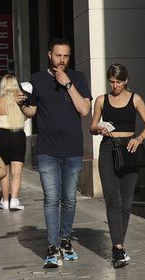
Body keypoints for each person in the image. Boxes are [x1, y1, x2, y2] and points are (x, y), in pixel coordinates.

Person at [19, 38, 92, 268]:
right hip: (47, 150)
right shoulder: (38, 79)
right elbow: (31, 111)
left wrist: (68, 84)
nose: (62, 60)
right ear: (49, 54)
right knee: (52, 198)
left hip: (72, 149)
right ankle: (52, 248)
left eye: (66, 56)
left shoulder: (78, 78)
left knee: (69, 199)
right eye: (58, 55)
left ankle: (65, 240)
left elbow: (84, 109)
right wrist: (21, 102)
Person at [89, 64, 145, 268]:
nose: (114, 85)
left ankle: (119, 246)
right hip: (108, 149)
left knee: (126, 203)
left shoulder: (136, 99)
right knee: (112, 200)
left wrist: (140, 138)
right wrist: (98, 129)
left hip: (130, 149)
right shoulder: (101, 100)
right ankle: (118, 249)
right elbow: (91, 126)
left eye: (118, 82)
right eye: (111, 82)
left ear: (125, 81)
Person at [0, 74, 28, 211]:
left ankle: (4, 201)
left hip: (1, 136)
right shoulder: (21, 100)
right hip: (18, 135)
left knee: (4, 171)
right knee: (17, 171)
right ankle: (14, 200)